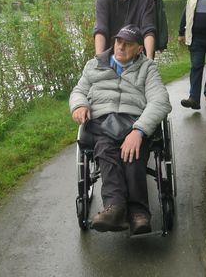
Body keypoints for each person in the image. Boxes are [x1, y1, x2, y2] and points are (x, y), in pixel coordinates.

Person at [70, 24, 171, 235]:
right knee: (106, 149)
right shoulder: (94, 65)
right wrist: (79, 105)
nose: (121, 47)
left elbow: (160, 101)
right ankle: (115, 208)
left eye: (128, 44)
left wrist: (139, 131)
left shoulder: (147, 68)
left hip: (133, 121)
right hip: (103, 121)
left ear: (139, 49)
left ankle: (138, 212)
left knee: (133, 151)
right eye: (118, 42)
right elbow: (79, 90)